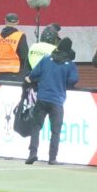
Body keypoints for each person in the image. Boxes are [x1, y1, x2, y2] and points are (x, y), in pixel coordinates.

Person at [24, 37, 78, 165]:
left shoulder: (46, 59)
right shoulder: (70, 64)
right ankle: (52, 158)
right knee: (55, 131)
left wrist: (30, 80)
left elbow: (33, 75)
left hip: (42, 98)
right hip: (57, 101)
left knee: (36, 127)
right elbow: (73, 80)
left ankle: (33, 153)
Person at [0, 12, 30, 83]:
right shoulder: (20, 35)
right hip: (17, 72)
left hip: (2, 72)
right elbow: (24, 55)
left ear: (5, 20)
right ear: (17, 22)